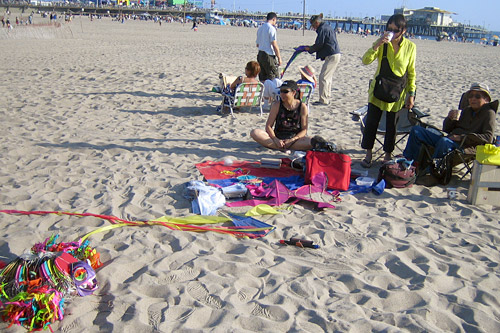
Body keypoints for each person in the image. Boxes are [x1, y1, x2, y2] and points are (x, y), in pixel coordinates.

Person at [360, 14, 416, 168]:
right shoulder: (382, 43)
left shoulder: (410, 47)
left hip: (397, 92)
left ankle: (387, 155)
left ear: (403, 30)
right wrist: (377, 44)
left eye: (395, 30)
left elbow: (411, 72)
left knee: (392, 125)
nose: (391, 32)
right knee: (371, 123)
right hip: (378, 89)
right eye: (388, 28)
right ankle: (368, 154)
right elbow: (365, 61)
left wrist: (411, 94)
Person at [403, 83, 497, 163]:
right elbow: (447, 129)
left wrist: (461, 138)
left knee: (444, 142)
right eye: (470, 96)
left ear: (486, 99)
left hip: (466, 146)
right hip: (450, 138)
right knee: (417, 130)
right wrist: (450, 119)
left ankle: (433, 169)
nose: (473, 99)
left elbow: (488, 138)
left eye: (477, 96)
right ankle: (410, 161)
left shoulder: (489, 113)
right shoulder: (467, 110)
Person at [251, 80, 313, 151]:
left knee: (312, 141)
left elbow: (304, 129)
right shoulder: (276, 105)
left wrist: (292, 140)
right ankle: (282, 146)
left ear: (293, 93)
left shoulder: (302, 106)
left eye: (285, 91)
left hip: (295, 139)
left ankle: (281, 147)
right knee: (255, 132)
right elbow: (268, 126)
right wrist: (275, 139)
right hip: (278, 137)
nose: (282, 94)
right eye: (281, 91)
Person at [303, 13, 341, 105]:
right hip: (334, 54)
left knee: (323, 77)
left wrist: (310, 49)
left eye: (313, 25)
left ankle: (323, 100)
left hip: (332, 55)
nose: (313, 27)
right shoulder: (327, 27)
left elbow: (319, 44)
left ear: (316, 23)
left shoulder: (323, 29)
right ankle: (326, 98)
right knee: (328, 77)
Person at [256, 12, 282, 82]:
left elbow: (257, 44)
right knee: (273, 77)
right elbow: (274, 44)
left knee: (263, 77)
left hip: (260, 53)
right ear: (274, 19)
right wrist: (279, 57)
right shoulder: (271, 28)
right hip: (268, 54)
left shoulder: (260, 28)